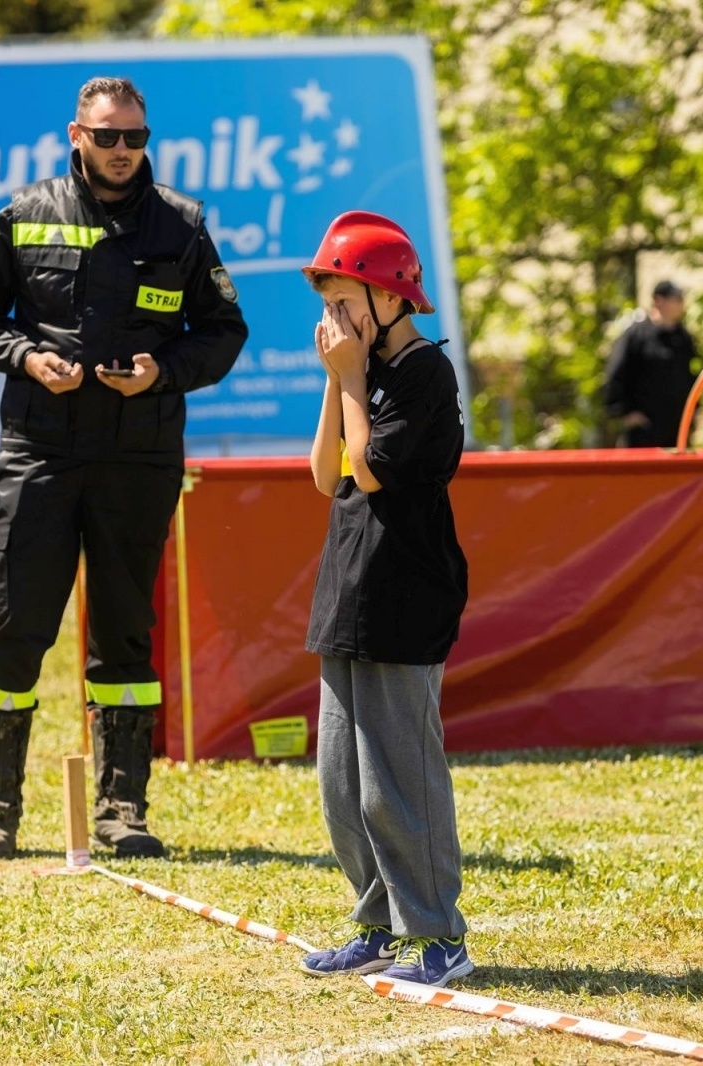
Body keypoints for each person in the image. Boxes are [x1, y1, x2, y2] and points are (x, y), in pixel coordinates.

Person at [0, 75, 246, 865]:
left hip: (137, 456)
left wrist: (161, 373)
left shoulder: (181, 225)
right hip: (41, 450)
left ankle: (122, 809)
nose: (122, 151)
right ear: (75, 135)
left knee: (125, 632)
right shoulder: (23, 215)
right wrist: (27, 356)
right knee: (15, 626)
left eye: (135, 138)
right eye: (107, 136)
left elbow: (221, 332)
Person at [295, 211, 473, 988]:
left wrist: (353, 380)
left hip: (407, 595)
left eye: (346, 301)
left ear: (391, 299)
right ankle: (375, 925)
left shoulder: (424, 373)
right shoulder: (358, 373)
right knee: (342, 780)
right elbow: (321, 472)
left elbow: (370, 470)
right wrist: (337, 385)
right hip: (350, 591)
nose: (335, 318)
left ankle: (439, 939)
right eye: (328, 305)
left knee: (399, 777)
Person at [602, 279, 699, 448]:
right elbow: (616, 373)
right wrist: (624, 413)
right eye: (676, 300)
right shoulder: (636, 335)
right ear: (658, 301)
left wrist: (695, 410)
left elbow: (692, 376)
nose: (681, 304)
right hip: (643, 431)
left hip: (676, 429)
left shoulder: (683, 338)